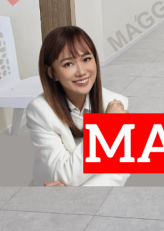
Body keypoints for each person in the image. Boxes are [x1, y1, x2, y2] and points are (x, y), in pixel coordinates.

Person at [26, 26, 131, 186]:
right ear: (52, 72)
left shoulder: (115, 103)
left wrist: (72, 191)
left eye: (86, 59)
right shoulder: (40, 111)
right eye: (68, 64)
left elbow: (119, 171)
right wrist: (105, 127)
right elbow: (63, 175)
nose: (81, 71)